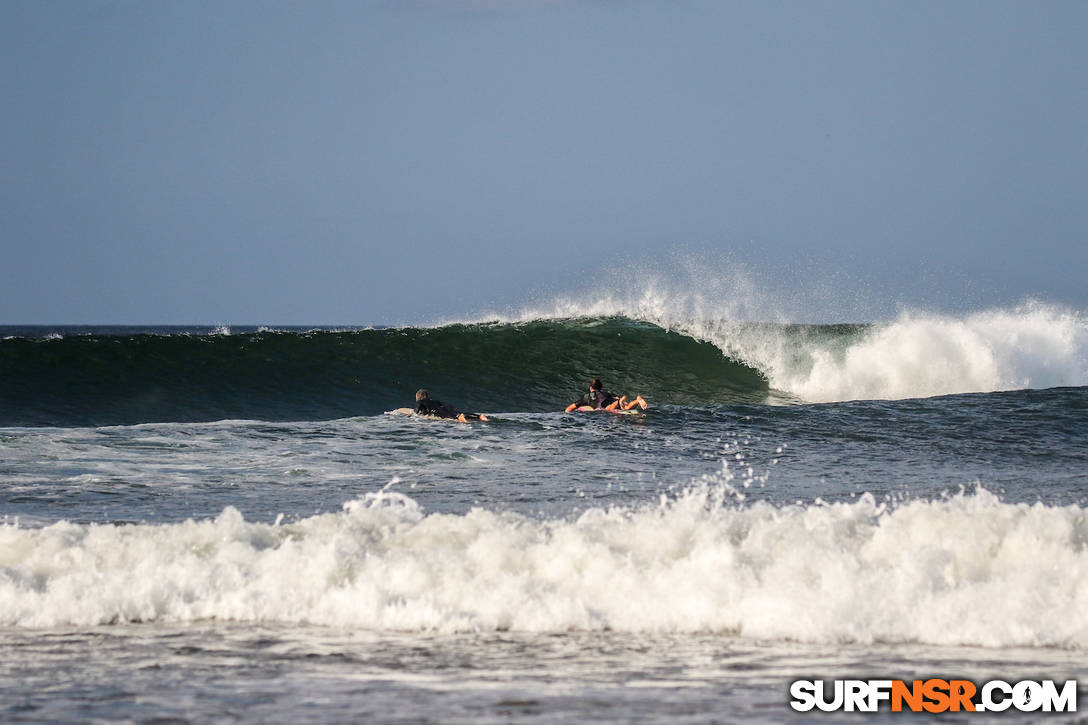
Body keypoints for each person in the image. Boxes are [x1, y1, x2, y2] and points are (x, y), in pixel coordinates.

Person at [564, 379, 647, 412]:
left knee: (608, 408)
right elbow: (616, 396)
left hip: (604, 406)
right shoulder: (606, 393)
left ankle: (620, 402)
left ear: (590, 388)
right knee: (625, 406)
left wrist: (566, 415)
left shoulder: (586, 397)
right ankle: (637, 400)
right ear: (600, 388)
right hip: (612, 401)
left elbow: (570, 408)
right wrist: (619, 400)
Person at [414, 389, 488, 422]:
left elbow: (418, 410)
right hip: (445, 409)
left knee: (452, 417)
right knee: (456, 414)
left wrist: (415, 413)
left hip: (436, 412)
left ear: (418, 396)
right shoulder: (434, 401)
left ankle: (460, 417)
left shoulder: (420, 401)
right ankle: (479, 416)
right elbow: (447, 405)